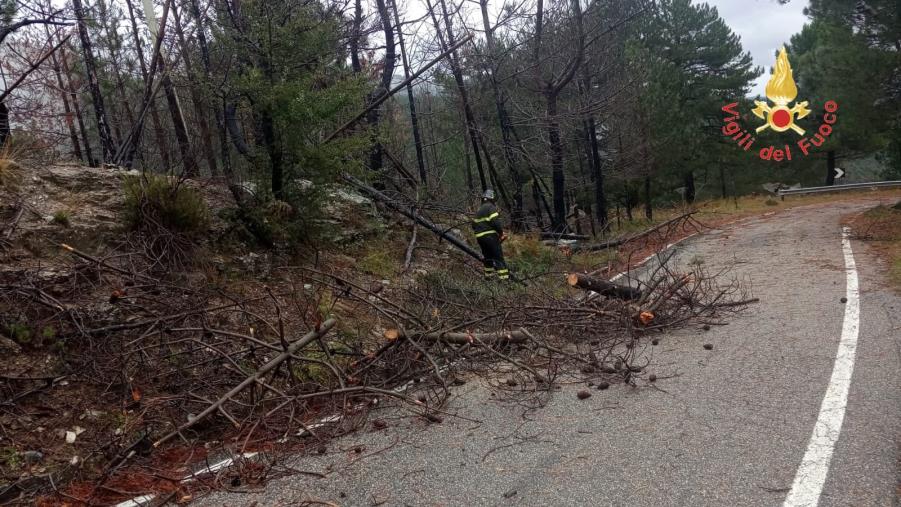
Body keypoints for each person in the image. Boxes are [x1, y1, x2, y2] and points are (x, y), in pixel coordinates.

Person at [472, 189, 509, 281]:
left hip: (480, 237)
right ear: (492, 199)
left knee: (488, 258)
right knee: (498, 258)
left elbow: (473, 225)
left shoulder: (479, 210)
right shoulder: (491, 207)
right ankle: (505, 281)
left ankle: (488, 278)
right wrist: (501, 233)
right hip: (490, 237)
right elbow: (495, 222)